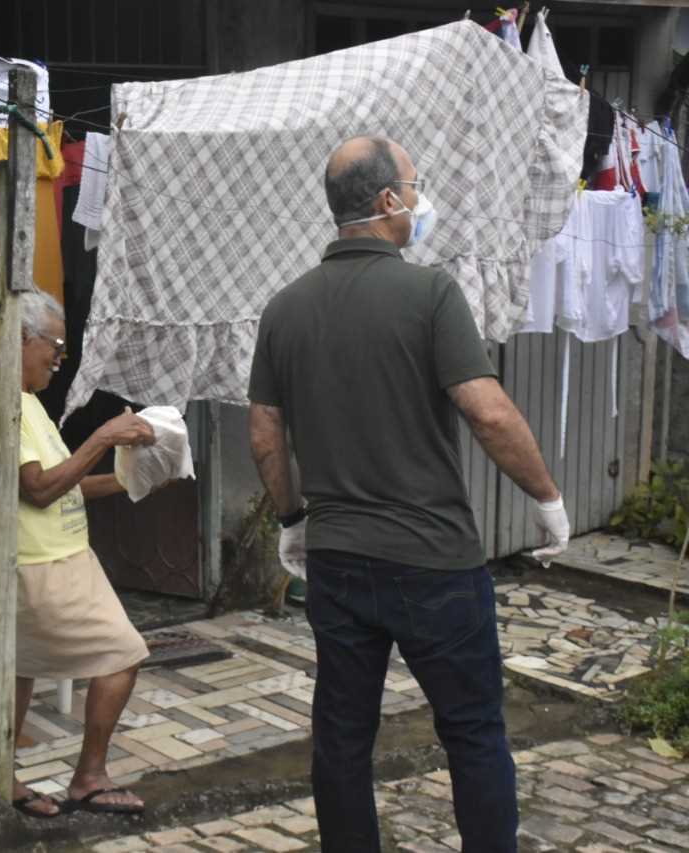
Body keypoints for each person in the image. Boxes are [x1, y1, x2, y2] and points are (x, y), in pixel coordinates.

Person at [247, 136, 571, 852]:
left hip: (337, 561)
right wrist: (546, 498)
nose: (422, 201)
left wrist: (293, 520)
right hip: (435, 564)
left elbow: (266, 437)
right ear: (389, 201)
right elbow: (488, 411)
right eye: (415, 186)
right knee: (473, 731)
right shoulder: (429, 293)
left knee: (341, 737)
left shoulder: (284, 308)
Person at [0, 286, 157, 818]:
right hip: (39, 565)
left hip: (49, 558)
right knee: (122, 654)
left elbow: (58, 484)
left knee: (15, 670)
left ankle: (1, 782)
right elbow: (39, 489)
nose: (60, 360)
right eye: (56, 347)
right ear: (21, 339)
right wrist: (105, 437)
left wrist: (131, 482)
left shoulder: (24, 401)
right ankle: (88, 777)